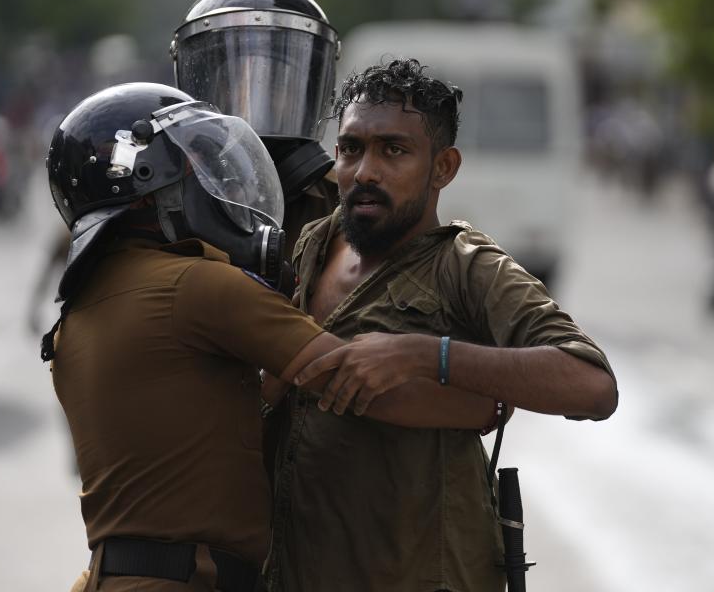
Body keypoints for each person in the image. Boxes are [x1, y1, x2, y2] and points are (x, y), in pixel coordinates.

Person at [43, 82, 495, 592]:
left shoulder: (77, 318)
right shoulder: (198, 286)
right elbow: (351, 379)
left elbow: (191, 430)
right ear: (154, 186)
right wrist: (479, 403)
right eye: (195, 171)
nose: (210, 185)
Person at [265, 59, 619, 592]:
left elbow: (592, 386)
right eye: (352, 148)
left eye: (394, 151)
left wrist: (427, 356)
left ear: (443, 168)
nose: (365, 172)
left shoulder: (467, 265)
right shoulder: (311, 243)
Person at [171, 0, 341, 261]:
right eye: (232, 81)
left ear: (309, 93)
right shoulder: (164, 192)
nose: (253, 97)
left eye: (274, 83)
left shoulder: (344, 202)